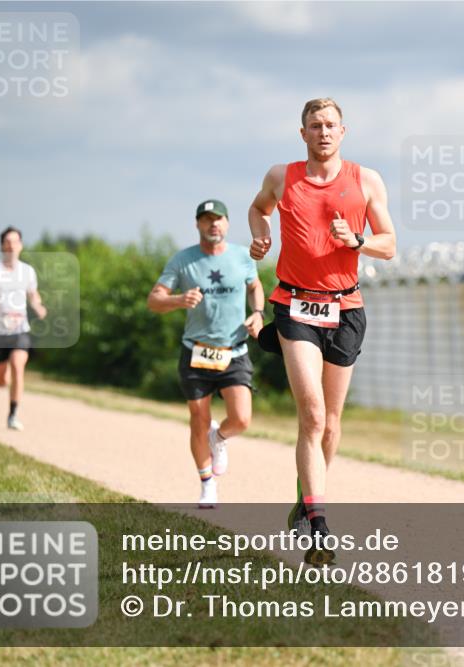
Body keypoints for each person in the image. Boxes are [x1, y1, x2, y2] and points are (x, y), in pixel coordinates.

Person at [248, 98, 396, 564]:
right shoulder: (282, 176)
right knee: (311, 414)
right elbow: (258, 208)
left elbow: (389, 244)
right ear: (303, 133)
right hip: (294, 304)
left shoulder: (366, 180)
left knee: (331, 423)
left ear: (343, 131)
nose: (324, 132)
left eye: (331, 125)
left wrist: (357, 241)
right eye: (315, 126)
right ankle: (319, 525)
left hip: (345, 308)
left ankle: (304, 502)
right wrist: (260, 234)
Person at [147, 199, 265, 508]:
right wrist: (177, 300)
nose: (214, 224)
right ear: (198, 224)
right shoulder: (183, 261)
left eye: (219, 219)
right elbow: (154, 300)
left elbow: (255, 286)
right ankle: (207, 484)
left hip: (234, 350)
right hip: (196, 352)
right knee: (198, 418)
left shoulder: (242, 256)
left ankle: (220, 438)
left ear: (227, 223)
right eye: (207, 219)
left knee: (241, 419)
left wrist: (259, 312)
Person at [0, 226, 47, 430]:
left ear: (21, 245)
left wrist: (38, 305)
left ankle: (13, 415)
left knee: (18, 366)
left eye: (15, 241)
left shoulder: (28, 271)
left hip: (19, 329)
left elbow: (33, 294)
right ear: (2, 246)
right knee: (2, 380)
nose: (11, 245)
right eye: (7, 242)